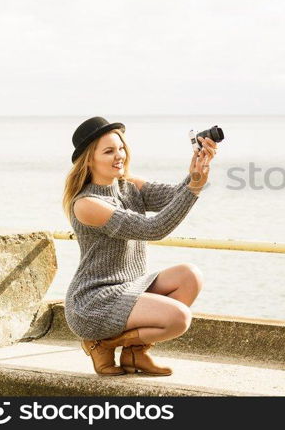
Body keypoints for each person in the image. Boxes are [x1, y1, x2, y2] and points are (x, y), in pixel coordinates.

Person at [61, 116, 217, 376]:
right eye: (109, 151)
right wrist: (195, 188)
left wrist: (196, 172)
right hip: (94, 300)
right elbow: (153, 229)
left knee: (190, 275)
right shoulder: (87, 204)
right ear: (89, 159)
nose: (119, 155)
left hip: (128, 287)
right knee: (179, 319)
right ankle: (102, 343)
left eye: (120, 148)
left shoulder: (128, 185)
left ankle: (135, 354)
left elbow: (173, 196)